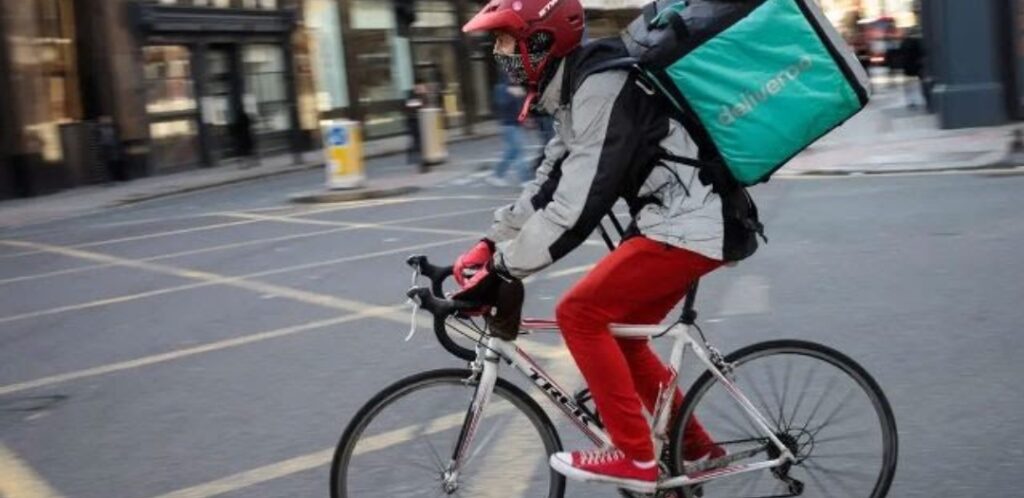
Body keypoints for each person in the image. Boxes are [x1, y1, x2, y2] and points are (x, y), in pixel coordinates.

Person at [452, 0, 761, 492]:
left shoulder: (600, 87)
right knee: (621, 333)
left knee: (580, 313)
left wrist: (505, 268)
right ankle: (696, 448)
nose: (498, 52)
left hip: (691, 223)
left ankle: (635, 457)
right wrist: (490, 243)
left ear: (540, 40)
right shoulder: (573, 89)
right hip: (675, 221)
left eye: (506, 40)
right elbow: (548, 183)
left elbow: (576, 206)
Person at [488, 74, 530, 187]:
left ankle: (497, 175)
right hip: (508, 125)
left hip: (515, 124)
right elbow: (502, 104)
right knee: (518, 151)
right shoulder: (501, 88)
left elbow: (520, 106)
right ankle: (525, 179)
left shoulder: (514, 87)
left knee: (511, 152)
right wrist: (512, 94)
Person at [405, 79, 428, 170]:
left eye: (423, 87)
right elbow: (414, 107)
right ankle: (422, 164)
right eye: (421, 87)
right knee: (418, 143)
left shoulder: (422, 96)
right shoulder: (412, 96)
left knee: (419, 143)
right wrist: (421, 99)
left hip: (420, 122)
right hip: (414, 123)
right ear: (416, 87)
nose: (423, 89)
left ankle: (422, 161)